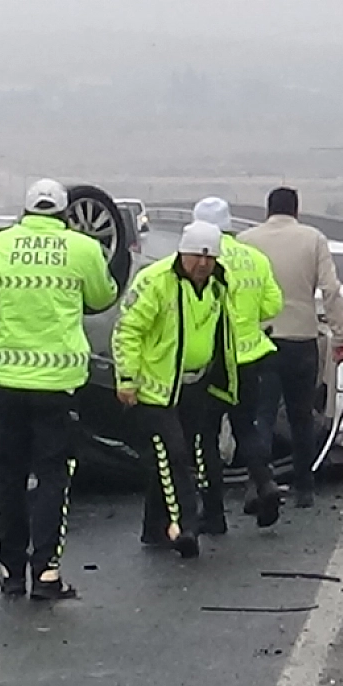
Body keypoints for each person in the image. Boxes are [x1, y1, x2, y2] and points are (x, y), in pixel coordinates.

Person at [0, 179, 118, 600]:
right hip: (59, 386)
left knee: (8, 477)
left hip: (7, 383)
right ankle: (46, 572)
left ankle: (11, 571)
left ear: (25, 212)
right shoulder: (82, 249)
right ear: (63, 214)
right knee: (52, 478)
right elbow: (102, 297)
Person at [113, 221, 240, 559]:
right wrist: (127, 379)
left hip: (194, 384)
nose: (202, 265)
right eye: (196, 257)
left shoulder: (217, 285)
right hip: (156, 389)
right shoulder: (155, 282)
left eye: (209, 258)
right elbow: (128, 330)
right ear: (182, 254)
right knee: (175, 455)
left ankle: (153, 528)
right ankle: (186, 525)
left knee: (170, 458)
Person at [238, 187, 343, 508]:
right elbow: (331, 290)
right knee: (301, 415)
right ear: (296, 211)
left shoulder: (247, 241)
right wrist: (340, 337)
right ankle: (304, 487)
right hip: (302, 339)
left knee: (262, 416)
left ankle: (257, 483)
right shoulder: (313, 239)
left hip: (259, 342)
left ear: (267, 210)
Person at [192, 196, 284, 531]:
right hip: (251, 357)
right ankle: (265, 482)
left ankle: (213, 513)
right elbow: (273, 304)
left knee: (207, 436)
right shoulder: (255, 258)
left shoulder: (201, 260)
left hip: (213, 362)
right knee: (246, 427)